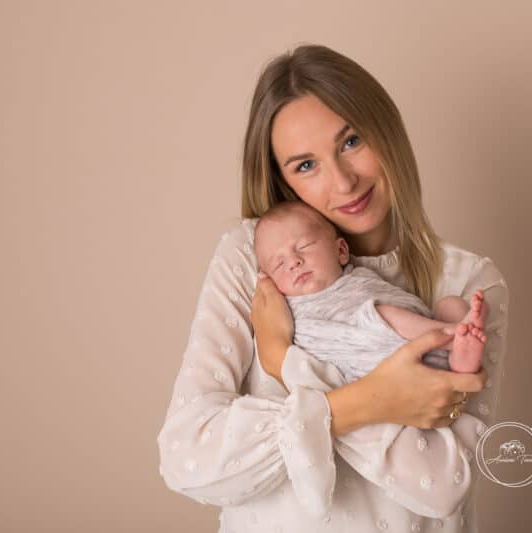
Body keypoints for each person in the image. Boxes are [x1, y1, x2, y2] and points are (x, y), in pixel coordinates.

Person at [157, 44, 510, 533]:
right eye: (306, 165)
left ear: (385, 130)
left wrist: (284, 363)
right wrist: (370, 402)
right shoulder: (253, 261)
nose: (343, 182)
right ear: (282, 181)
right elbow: (187, 455)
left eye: (350, 142)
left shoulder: (466, 284)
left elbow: (447, 485)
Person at [253, 199, 490, 381]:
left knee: (451, 304)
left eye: (304, 247)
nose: (294, 262)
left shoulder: (358, 280)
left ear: (341, 251)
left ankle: (461, 357)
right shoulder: (292, 309)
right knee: (377, 313)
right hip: (375, 373)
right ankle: (450, 336)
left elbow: (391, 299)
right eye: (279, 264)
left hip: (422, 350)